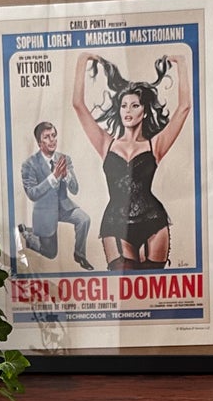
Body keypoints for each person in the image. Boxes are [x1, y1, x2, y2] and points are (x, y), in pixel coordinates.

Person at [69, 45, 192, 269]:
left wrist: (182, 63)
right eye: (124, 105)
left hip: (154, 222)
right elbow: (78, 105)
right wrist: (82, 60)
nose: (127, 110)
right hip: (115, 223)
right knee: (124, 285)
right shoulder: (106, 143)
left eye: (134, 105)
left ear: (143, 111)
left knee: (153, 291)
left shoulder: (155, 145)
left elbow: (184, 107)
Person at [18, 121, 93, 268]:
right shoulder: (29, 164)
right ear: (39, 143)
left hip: (63, 207)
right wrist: (53, 177)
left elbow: (75, 189)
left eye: (54, 135)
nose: (52, 140)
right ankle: (28, 235)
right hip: (45, 212)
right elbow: (32, 194)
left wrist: (66, 176)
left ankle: (79, 255)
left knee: (84, 219)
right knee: (51, 253)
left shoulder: (64, 159)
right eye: (47, 137)